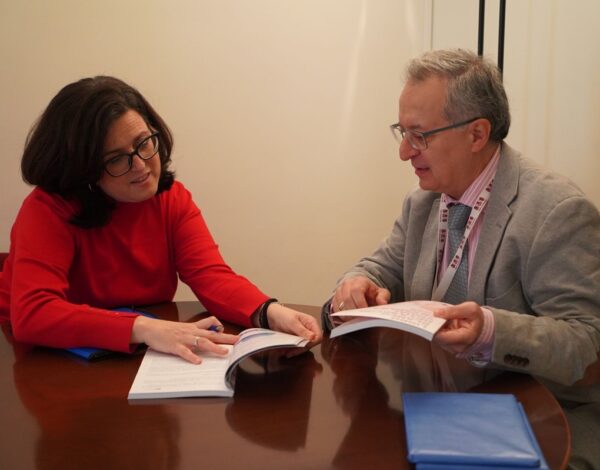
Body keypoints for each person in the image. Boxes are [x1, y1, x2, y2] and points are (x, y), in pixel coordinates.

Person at [323, 49, 600, 469]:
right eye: (402, 132)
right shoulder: (423, 203)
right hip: (435, 409)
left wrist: (491, 331)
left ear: (476, 134)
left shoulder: (555, 211)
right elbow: (379, 267)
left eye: (420, 135)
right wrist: (356, 282)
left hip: (538, 422)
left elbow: (590, 349)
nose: (404, 152)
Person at [0, 76, 321, 365]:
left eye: (144, 143)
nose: (141, 165)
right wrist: (144, 328)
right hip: (38, 356)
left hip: (128, 352)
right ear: (83, 170)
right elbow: (34, 314)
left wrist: (269, 312)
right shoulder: (46, 209)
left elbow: (210, 276)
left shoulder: (171, 198)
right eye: (116, 159)